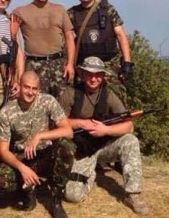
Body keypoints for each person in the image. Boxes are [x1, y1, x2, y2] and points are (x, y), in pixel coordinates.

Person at [59, 57, 148, 215]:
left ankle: (133, 194)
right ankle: (90, 174)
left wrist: (105, 131)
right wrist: (80, 123)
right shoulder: (70, 93)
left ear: (102, 76)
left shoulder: (108, 94)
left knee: (130, 141)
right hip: (81, 151)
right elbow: (58, 123)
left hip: (104, 147)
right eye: (89, 74)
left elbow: (128, 125)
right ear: (82, 74)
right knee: (72, 195)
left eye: (97, 75)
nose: (93, 79)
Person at [0, 71, 75, 218]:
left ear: (38, 89)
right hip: (21, 157)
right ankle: (27, 190)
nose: (30, 92)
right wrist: (22, 168)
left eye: (34, 88)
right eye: (27, 87)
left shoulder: (47, 101)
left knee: (67, 146)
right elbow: (3, 151)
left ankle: (55, 200)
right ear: (19, 86)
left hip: (45, 155)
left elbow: (68, 131)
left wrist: (40, 136)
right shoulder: (7, 112)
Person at [67, 0, 133, 97]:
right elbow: (68, 39)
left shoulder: (107, 9)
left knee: (116, 101)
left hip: (108, 65)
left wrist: (127, 62)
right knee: (84, 102)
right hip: (85, 67)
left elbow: (120, 35)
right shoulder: (71, 14)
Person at [11, 0, 75, 98]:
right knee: (35, 103)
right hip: (34, 65)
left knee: (62, 102)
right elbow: (10, 35)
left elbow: (69, 37)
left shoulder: (60, 10)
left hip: (58, 64)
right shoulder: (20, 11)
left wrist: (70, 64)